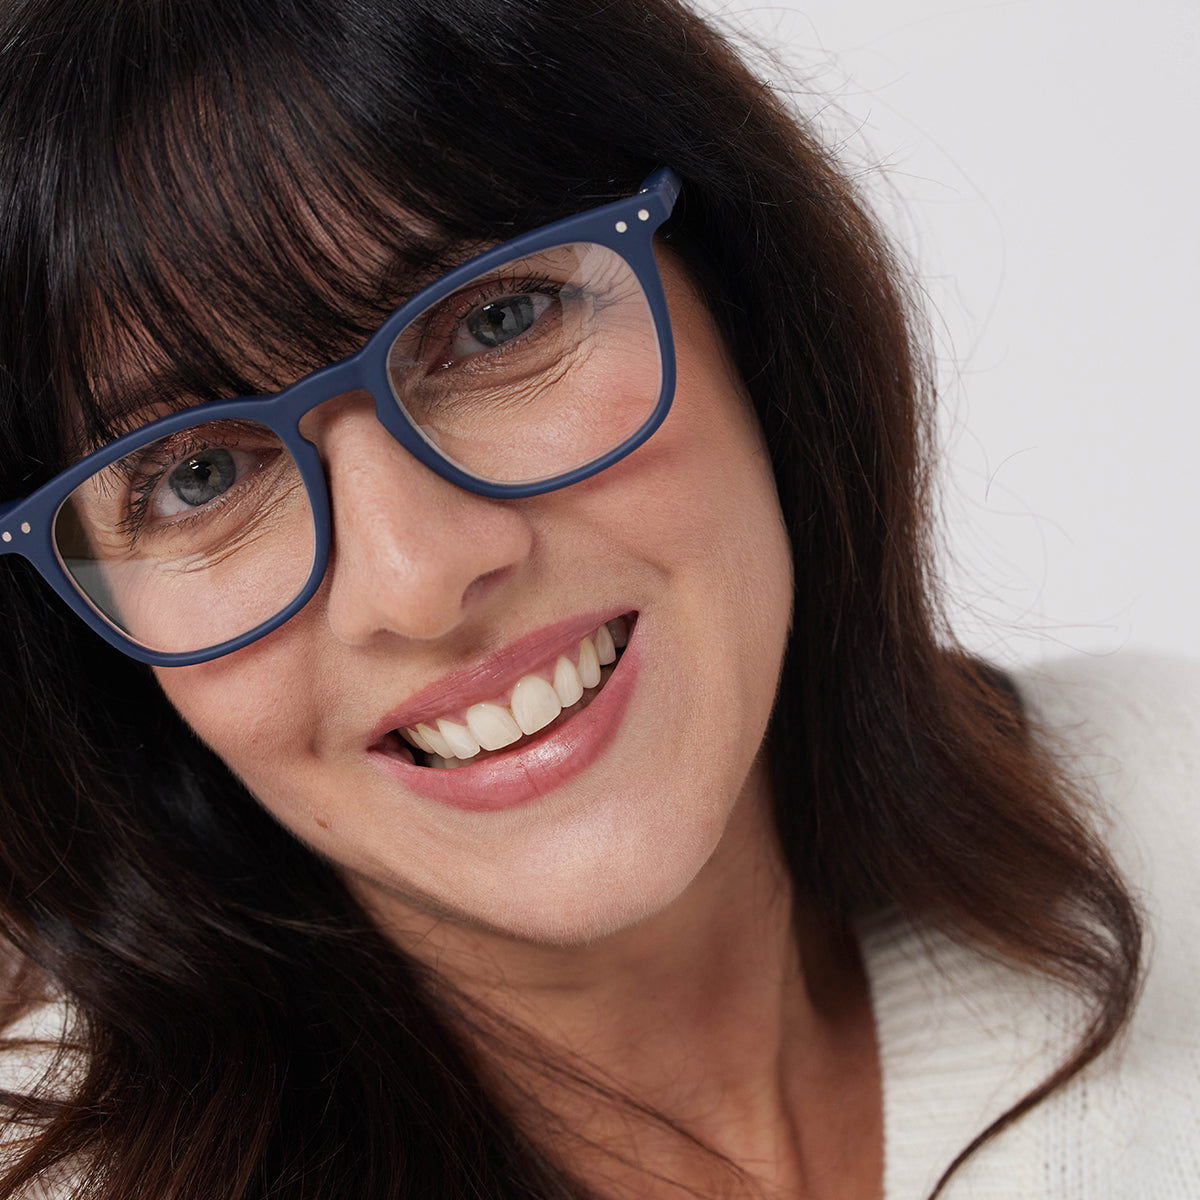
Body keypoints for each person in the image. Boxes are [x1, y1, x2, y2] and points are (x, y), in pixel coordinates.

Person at [0, 1, 1194, 1197]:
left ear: (743, 291)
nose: (418, 579)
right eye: (199, 478)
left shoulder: (1166, 795)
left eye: (495, 321)